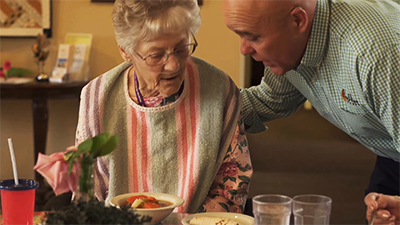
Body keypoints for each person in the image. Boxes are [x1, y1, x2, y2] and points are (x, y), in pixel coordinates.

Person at [75, 0, 252, 213]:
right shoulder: (97, 98)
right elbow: (85, 193)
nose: (174, 64)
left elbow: (230, 188)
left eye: (181, 48)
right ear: (126, 52)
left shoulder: (219, 89)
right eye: (157, 55)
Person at [221, 0, 400, 197]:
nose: (244, 50)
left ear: (298, 20)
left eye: (253, 37)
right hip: (391, 151)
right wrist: (195, 108)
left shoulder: (376, 57)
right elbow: (270, 100)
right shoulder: (292, 45)